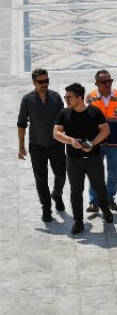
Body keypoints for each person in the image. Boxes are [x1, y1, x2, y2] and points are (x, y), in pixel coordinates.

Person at [53, 83, 114, 234]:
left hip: (94, 158)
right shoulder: (63, 113)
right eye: (65, 97)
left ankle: (106, 210)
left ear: (79, 98)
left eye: (69, 97)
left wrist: (93, 143)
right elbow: (56, 133)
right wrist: (71, 141)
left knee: (100, 187)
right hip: (73, 160)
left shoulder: (94, 112)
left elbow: (105, 130)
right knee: (76, 191)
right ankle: (78, 222)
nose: (66, 100)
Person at [17, 68, 67, 222]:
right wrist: (21, 147)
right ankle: (46, 208)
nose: (44, 84)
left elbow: (64, 119)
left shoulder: (56, 97)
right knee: (41, 179)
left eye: (46, 81)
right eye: (41, 82)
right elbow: (21, 124)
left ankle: (57, 194)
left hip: (56, 144)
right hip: (37, 146)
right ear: (34, 82)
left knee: (61, 174)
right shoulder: (27, 100)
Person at [85, 70, 117, 213]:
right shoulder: (90, 98)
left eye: (110, 81)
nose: (107, 84)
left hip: (115, 142)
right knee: (95, 173)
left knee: (113, 173)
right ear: (96, 83)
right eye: (104, 82)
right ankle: (94, 202)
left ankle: (110, 198)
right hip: (97, 143)